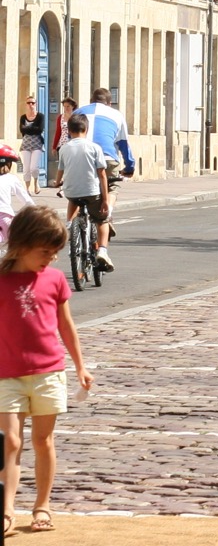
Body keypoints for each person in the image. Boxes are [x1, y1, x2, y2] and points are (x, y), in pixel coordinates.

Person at [0, 204, 95, 535]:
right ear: (21, 244)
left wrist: (80, 366)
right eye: (45, 251)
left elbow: (65, 326)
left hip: (48, 372)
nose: (51, 258)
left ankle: (42, 505)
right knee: (10, 441)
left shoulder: (54, 279)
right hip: (6, 375)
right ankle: (6, 509)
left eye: (55, 252)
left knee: (43, 440)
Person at [53, 115, 114, 273]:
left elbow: (60, 170)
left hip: (71, 192)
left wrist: (57, 182)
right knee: (102, 219)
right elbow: (102, 174)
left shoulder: (64, 148)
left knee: (73, 199)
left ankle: (71, 226)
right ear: (86, 129)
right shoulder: (94, 147)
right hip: (92, 192)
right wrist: (105, 200)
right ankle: (102, 251)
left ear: (69, 131)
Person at [76, 89, 130, 181]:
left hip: (82, 157)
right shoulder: (117, 115)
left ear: (91, 101)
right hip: (107, 158)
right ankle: (110, 189)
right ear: (110, 104)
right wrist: (129, 167)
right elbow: (124, 144)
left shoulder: (77, 113)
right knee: (111, 184)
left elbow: (71, 140)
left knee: (79, 186)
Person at [0, 146, 35, 245]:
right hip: (5, 217)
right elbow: (26, 200)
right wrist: (37, 211)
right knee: (18, 245)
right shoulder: (11, 178)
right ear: (8, 164)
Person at [17, 99, 44, 194]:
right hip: (26, 144)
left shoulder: (40, 116)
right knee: (26, 168)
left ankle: (36, 183)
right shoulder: (23, 117)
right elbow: (21, 130)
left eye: (33, 103)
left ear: (36, 104)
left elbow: (39, 129)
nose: (31, 104)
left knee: (33, 168)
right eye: (28, 103)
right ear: (26, 104)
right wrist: (32, 128)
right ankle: (27, 189)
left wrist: (27, 128)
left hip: (37, 144)